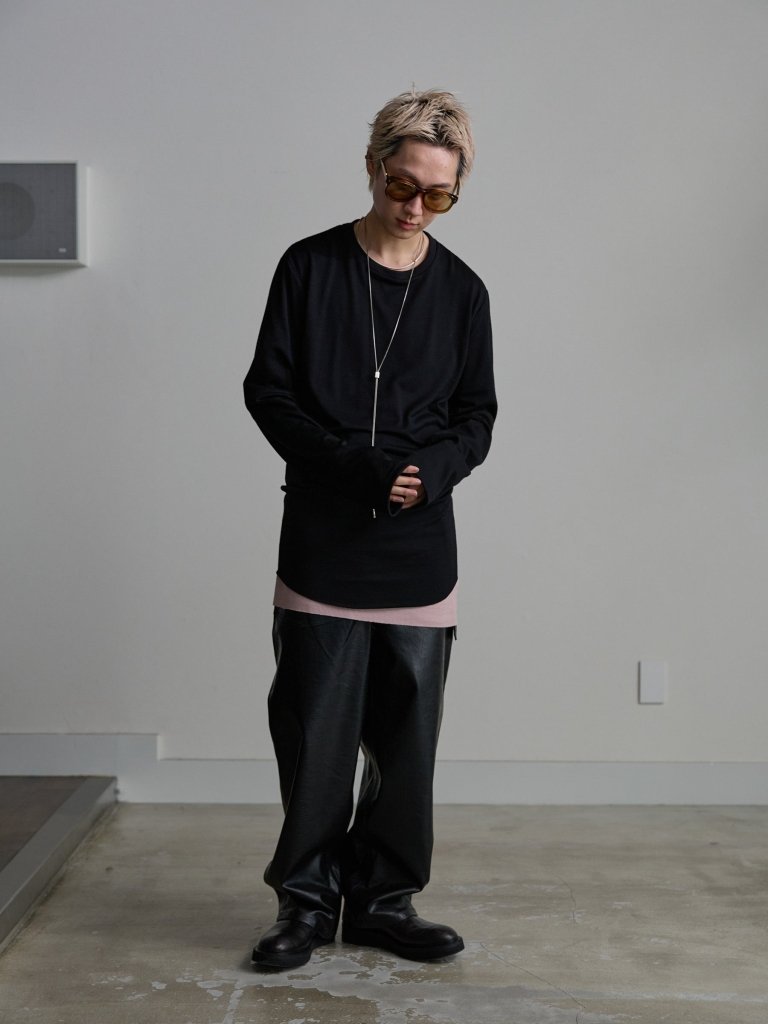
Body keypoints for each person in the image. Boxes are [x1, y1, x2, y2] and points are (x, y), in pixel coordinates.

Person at [243, 88, 496, 970]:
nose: (417, 206)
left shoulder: (463, 291)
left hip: (420, 551)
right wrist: (356, 466)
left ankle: (386, 901)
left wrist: (437, 470)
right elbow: (268, 394)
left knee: (406, 745)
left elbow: (477, 415)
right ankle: (306, 903)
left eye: (439, 195)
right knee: (315, 740)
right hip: (324, 542)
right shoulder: (308, 267)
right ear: (372, 166)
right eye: (402, 185)